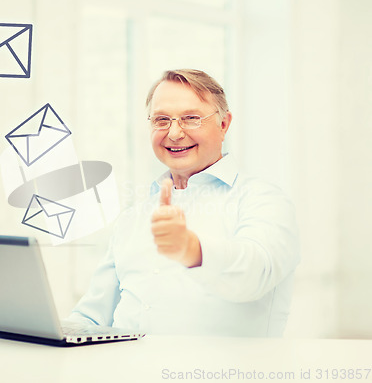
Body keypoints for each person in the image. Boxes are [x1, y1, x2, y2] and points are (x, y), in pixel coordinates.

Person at [67, 69, 300, 337]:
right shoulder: (133, 217)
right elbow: (92, 315)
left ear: (224, 124)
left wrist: (192, 250)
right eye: (162, 120)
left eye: (191, 118)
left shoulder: (263, 200)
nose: (175, 133)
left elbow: (255, 274)